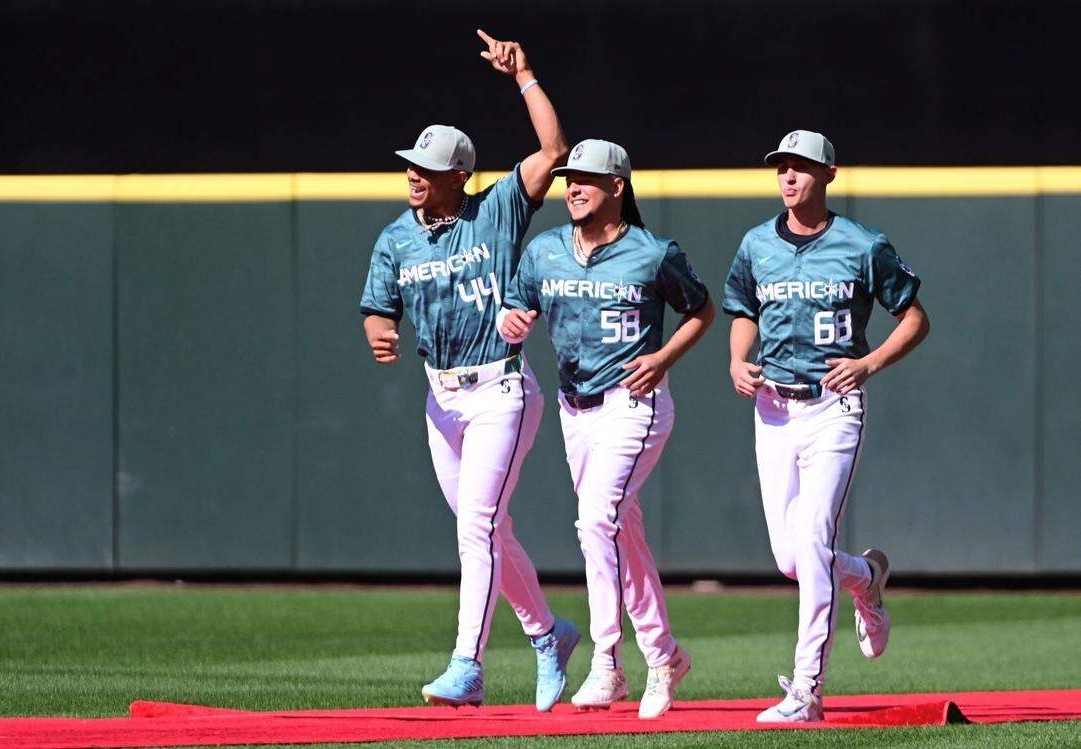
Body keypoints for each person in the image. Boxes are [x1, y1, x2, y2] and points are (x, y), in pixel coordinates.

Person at [358, 30, 579, 712]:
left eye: (427, 166)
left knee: (477, 527)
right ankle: (548, 633)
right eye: (410, 164)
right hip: (441, 399)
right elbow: (376, 307)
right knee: (490, 529)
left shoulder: (497, 210)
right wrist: (381, 331)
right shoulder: (396, 235)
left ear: (460, 174)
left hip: (500, 391)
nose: (414, 174)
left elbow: (555, 154)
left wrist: (525, 75)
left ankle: (468, 666)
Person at [499, 139, 716, 719]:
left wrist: (664, 356)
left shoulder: (652, 251)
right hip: (576, 409)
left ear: (618, 185)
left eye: (587, 178)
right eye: (569, 177)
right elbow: (515, 310)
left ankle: (606, 661)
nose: (572, 186)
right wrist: (511, 320)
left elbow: (701, 308)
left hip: (634, 402)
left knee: (597, 520)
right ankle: (665, 653)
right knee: (622, 531)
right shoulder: (545, 250)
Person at [722, 130, 931, 723]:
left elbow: (915, 317)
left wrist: (868, 363)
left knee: (812, 540)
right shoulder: (757, 243)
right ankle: (866, 576)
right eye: (782, 167)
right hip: (772, 409)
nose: (789, 176)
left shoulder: (863, 245)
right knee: (791, 559)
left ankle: (807, 691)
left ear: (829, 174)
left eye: (801, 167)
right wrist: (738, 360)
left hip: (833, 406)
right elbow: (741, 310)